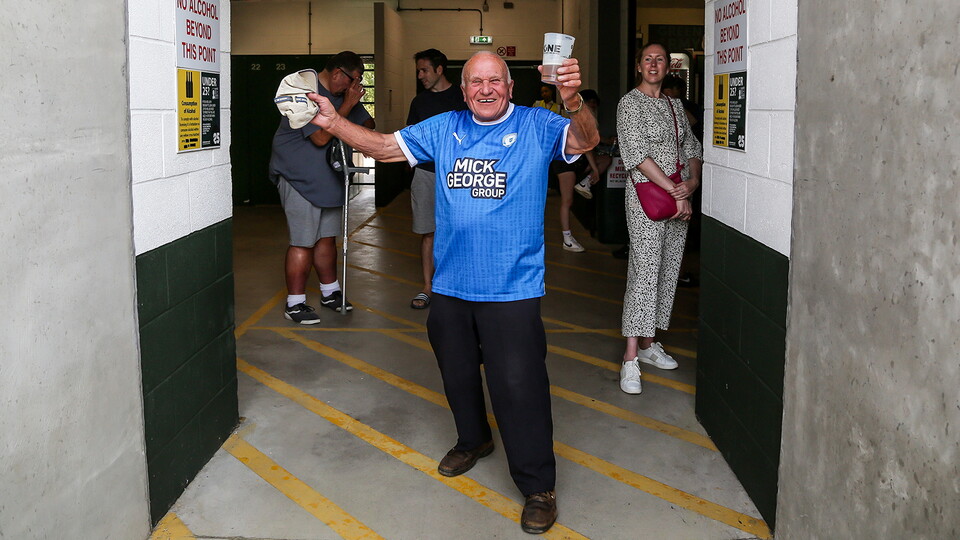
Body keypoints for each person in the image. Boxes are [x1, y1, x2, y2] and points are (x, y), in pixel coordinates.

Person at [305, 51, 599, 534]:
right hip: (451, 286)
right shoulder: (443, 128)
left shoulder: (537, 125)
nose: (486, 89)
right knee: (457, 372)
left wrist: (572, 100)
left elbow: (586, 139)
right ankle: (474, 438)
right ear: (463, 91)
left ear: (510, 86)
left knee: (519, 387)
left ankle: (537, 486)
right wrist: (334, 121)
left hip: (512, 289)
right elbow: (382, 147)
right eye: (476, 82)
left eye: (495, 81)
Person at [616, 43, 703, 394]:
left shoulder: (675, 104)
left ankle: (650, 345)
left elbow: (692, 149)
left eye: (660, 59)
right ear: (639, 66)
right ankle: (630, 357)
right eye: (647, 59)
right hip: (647, 198)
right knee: (645, 270)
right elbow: (636, 154)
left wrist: (692, 183)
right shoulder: (629, 103)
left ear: (668, 67)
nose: (654, 64)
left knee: (668, 268)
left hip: (678, 199)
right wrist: (675, 190)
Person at [268, 51, 374, 324]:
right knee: (303, 242)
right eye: (354, 79)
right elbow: (320, 137)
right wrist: (348, 105)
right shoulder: (304, 88)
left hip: (329, 178)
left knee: (327, 238)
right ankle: (295, 304)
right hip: (299, 177)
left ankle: (330, 292)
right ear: (338, 72)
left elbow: (367, 125)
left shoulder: (343, 94)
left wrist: (354, 107)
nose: (354, 87)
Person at [406, 48, 468, 310]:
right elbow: (409, 137)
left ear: (440, 69)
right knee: (428, 231)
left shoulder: (462, 97)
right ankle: (428, 287)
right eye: (418, 71)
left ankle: (459, 286)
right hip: (426, 174)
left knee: (461, 230)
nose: (420, 75)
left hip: (458, 175)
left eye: (424, 70)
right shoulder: (419, 102)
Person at [571, 89, 614, 200]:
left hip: (571, 159)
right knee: (607, 159)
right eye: (590, 101)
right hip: (577, 160)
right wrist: (595, 169)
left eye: (594, 102)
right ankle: (585, 184)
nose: (593, 104)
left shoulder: (577, 116)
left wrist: (609, 141)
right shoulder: (584, 119)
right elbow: (587, 147)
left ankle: (585, 184)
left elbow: (596, 138)